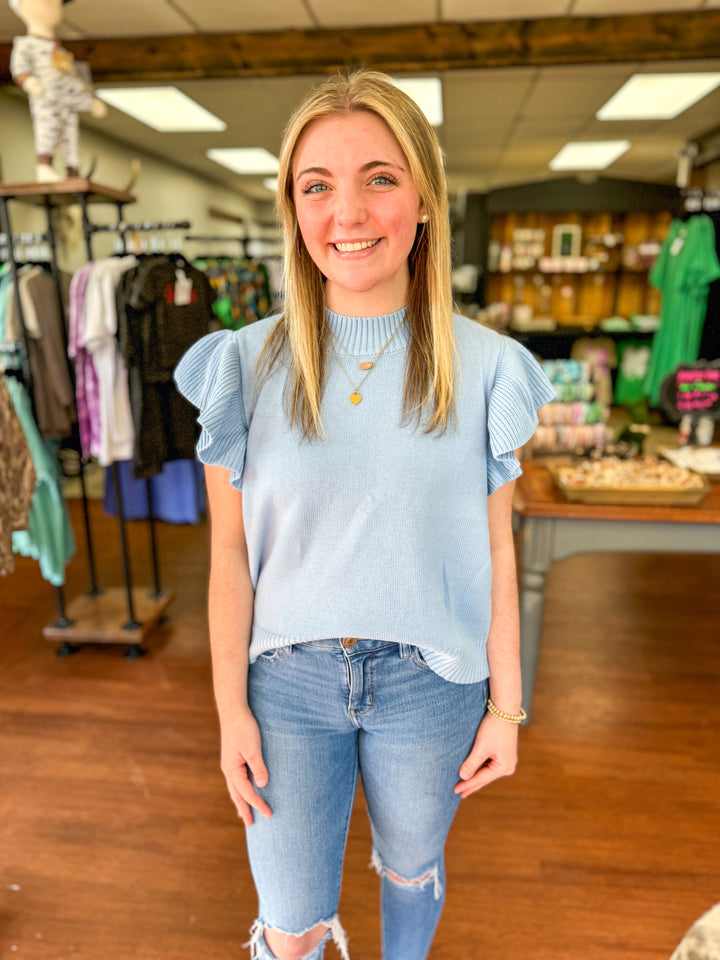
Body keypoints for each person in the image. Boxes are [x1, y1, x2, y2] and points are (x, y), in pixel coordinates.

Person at [175, 69, 555, 960]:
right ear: (293, 208)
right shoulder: (245, 364)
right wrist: (229, 710)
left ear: (422, 197)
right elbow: (229, 556)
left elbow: (497, 546)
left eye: (378, 177)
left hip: (434, 684)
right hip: (287, 688)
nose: (347, 212)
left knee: (410, 866)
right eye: (318, 185)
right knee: (291, 916)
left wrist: (508, 708)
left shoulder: (489, 367)